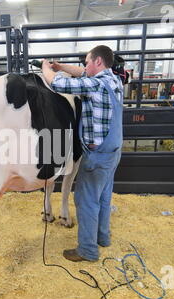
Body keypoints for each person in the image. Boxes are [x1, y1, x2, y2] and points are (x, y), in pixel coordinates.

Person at [42, 45, 124, 262]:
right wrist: (60, 65)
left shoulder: (95, 85)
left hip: (97, 157)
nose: (84, 66)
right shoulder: (114, 80)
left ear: (98, 62)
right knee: (104, 197)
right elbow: (82, 73)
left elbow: (58, 83)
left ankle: (87, 250)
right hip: (113, 152)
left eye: (87, 61)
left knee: (86, 201)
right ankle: (102, 237)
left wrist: (46, 69)